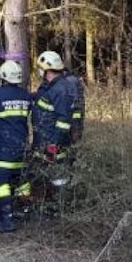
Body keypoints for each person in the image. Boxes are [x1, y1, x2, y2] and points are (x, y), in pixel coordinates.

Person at [0, 60, 31, 233]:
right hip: (23, 148)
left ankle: (7, 219)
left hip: (4, 149)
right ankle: (25, 211)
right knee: (21, 180)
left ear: (2, 76)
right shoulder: (25, 95)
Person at [30, 50, 85, 187]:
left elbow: (63, 122)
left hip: (53, 145)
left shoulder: (61, 89)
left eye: (40, 69)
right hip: (43, 142)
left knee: (58, 181)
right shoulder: (50, 86)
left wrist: (54, 145)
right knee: (42, 182)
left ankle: (61, 204)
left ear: (46, 69)